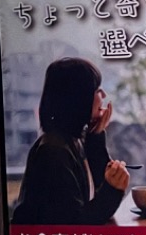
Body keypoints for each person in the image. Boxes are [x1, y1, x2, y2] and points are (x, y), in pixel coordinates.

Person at [11, 57, 129, 225]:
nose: (103, 95)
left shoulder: (72, 140)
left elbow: (96, 189)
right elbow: (75, 224)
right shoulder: (53, 152)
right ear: (78, 98)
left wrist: (95, 137)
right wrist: (113, 190)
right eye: (96, 90)